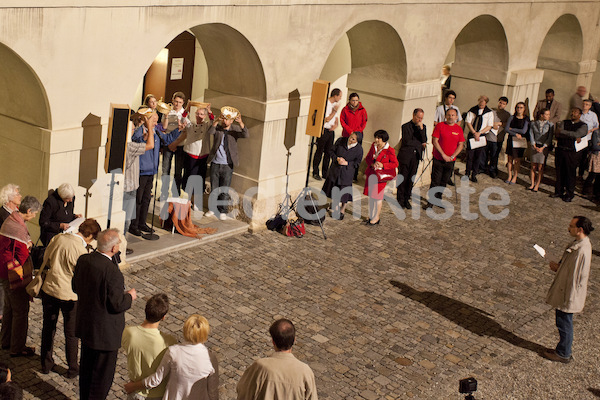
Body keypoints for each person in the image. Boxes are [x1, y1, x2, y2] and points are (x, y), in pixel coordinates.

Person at [73, 228, 137, 400]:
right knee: (101, 378)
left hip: (87, 326)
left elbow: (75, 287)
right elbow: (117, 304)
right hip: (105, 334)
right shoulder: (112, 272)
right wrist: (130, 297)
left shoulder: (84, 260)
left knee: (86, 372)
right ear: (114, 248)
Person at [40, 218, 101, 378]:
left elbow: (47, 256)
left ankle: (45, 364)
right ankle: (73, 368)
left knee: (48, 328)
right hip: (69, 296)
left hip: (50, 289)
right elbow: (83, 275)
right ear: (90, 236)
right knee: (71, 333)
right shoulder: (80, 251)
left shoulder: (58, 238)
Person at [125, 314, 219, 400]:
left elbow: (156, 379)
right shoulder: (210, 358)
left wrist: (133, 386)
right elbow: (213, 391)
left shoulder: (174, 351)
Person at [543, 216, 593, 363]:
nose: (568, 228)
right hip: (567, 290)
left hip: (568, 293)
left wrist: (558, 269)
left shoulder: (581, 250)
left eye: (571, 226)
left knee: (564, 322)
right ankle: (562, 349)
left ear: (580, 229)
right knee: (563, 321)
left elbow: (575, 276)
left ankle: (564, 353)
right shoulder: (580, 245)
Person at [129, 111, 183, 237]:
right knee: (138, 199)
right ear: (147, 120)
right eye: (153, 120)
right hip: (142, 171)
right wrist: (145, 134)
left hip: (152, 170)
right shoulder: (139, 131)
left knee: (147, 198)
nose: (156, 123)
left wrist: (177, 130)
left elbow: (167, 139)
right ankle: (134, 225)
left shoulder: (156, 132)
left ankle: (142, 223)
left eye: (156, 120)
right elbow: (135, 140)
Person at [0, 195, 41, 357]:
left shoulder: (12, 218)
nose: (35, 216)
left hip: (4, 270)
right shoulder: (18, 227)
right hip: (14, 274)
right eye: (35, 213)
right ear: (29, 211)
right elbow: (23, 256)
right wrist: (28, 246)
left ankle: (6, 341)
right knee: (21, 311)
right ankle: (17, 348)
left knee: (9, 308)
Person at [237, 319, 317, 400]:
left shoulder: (260, 367)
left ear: (273, 341)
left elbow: (243, 392)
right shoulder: (305, 372)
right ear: (294, 340)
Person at [122, 293, 177, 400]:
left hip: (135, 392)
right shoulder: (169, 341)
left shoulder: (128, 333)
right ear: (163, 317)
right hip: (158, 394)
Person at [206, 108, 249, 220]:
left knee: (224, 189)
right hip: (215, 162)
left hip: (228, 164)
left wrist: (240, 122)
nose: (224, 121)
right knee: (214, 187)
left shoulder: (234, 130)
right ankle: (212, 208)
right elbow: (210, 131)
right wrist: (216, 121)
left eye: (227, 120)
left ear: (231, 121)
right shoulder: (218, 128)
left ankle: (223, 211)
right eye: (223, 119)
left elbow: (246, 134)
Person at [123, 109, 155, 235]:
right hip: (129, 186)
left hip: (127, 185)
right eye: (132, 130)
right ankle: (122, 244)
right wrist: (149, 127)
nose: (133, 131)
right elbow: (150, 145)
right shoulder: (129, 146)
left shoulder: (126, 143)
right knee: (126, 220)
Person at [426, 108, 465, 209]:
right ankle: (430, 202)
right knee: (435, 180)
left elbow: (460, 145)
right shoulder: (440, 126)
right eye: (449, 115)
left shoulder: (458, 129)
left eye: (453, 115)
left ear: (456, 117)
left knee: (444, 180)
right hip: (439, 158)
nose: (450, 117)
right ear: (445, 116)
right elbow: (435, 141)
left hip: (450, 161)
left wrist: (452, 156)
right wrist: (443, 154)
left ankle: (438, 199)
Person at [322, 132, 363, 219]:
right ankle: (335, 206)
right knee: (335, 188)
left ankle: (342, 209)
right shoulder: (341, 141)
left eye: (353, 139)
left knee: (344, 192)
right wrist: (337, 158)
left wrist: (347, 163)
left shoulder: (359, 149)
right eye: (350, 137)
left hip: (347, 173)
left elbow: (357, 162)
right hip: (335, 170)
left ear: (357, 141)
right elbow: (331, 151)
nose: (350, 140)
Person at [180, 106, 214, 211]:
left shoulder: (207, 125)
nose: (199, 116)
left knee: (199, 180)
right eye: (197, 114)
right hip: (190, 155)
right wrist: (187, 107)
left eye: (201, 114)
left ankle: (197, 202)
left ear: (204, 116)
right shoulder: (191, 124)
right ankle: (189, 200)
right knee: (189, 178)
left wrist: (209, 112)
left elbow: (213, 121)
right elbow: (183, 118)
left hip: (202, 156)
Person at [551, 108, 588, 202]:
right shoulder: (564, 122)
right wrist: (571, 135)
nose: (572, 114)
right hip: (561, 149)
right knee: (559, 172)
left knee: (570, 173)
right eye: (572, 112)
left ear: (579, 115)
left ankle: (569, 193)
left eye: (575, 112)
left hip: (572, 152)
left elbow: (577, 134)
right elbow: (558, 133)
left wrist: (565, 133)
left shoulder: (583, 125)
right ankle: (558, 191)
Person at [363, 130, 398, 225]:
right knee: (371, 196)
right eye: (375, 137)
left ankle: (376, 217)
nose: (376, 139)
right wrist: (372, 164)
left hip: (381, 177)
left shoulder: (390, 150)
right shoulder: (373, 146)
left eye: (378, 138)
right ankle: (371, 215)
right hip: (372, 174)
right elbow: (368, 158)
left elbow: (395, 163)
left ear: (384, 139)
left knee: (377, 197)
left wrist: (383, 165)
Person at [161, 92, 191, 197]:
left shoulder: (185, 114)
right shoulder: (168, 112)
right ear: (173, 100)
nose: (177, 104)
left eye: (180, 102)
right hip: (168, 145)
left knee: (178, 171)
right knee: (165, 170)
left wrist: (175, 143)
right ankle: (163, 193)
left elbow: (186, 132)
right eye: (176, 101)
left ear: (183, 103)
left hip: (179, 145)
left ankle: (175, 193)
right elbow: (164, 128)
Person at [396, 109, 427, 209]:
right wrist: (419, 143)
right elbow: (407, 141)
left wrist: (421, 130)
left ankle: (406, 198)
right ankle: (400, 199)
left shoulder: (423, 127)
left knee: (411, 178)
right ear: (413, 115)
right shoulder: (405, 126)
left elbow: (424, 140)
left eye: (421, 118)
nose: (419, 120)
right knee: (403, 177)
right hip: (406, 156)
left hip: (416, 156)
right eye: (418, 117)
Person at [313, 88, 342, 181]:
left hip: (330, 131)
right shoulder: (326, 104)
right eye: (340, 96)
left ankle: (325, 173)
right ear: (335, 95)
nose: (340, 98)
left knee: (328, 152)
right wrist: (334, 111)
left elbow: (336, 119)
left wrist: (336, 125)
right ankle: (315, 172)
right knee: (319, 151)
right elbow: (326, 119)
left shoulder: (334, 105)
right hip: (323, 130)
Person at [464, 95, 494, 182]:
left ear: (486, 103)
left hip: (481, 135)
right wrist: (474, 132)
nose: (481, 104)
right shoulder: (472, 110)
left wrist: (479, 133)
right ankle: (467, 173)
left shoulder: (489, 112)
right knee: (470, 156)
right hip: (472, 134)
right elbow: (468, 122)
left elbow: (489, 125)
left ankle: (474, 174)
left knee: (478, 156)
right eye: (480, 102)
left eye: (483, 102)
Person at [527, 109, 554, 192]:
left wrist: (543, 147)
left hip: (543, 146)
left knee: (540, 167)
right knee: (533, 166)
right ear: (542, 115)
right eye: (547, 114)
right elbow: (531, 134)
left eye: (549, 115)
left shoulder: (550, 125)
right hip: (535, 145)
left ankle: (537, 184)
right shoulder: (533, 123)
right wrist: (533, 145)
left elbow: (549, 137)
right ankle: (532, 183)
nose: (548, 116)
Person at [504, 102, 530, 185]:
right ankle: (509, 175)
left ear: (524, 109)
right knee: (510, 159)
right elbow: (507, 129)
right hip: (511, 139)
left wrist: (512, 129)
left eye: (521, 107)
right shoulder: (512, 117)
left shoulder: (526, 119)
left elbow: (523, 131)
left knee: (517, 160)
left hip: (520, 141)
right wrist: (515, 133)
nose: (519, 109)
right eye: (518, 107)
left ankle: (515, 176)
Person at [486, 97, 510, 179]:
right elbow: (487, 120)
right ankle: (484, 167)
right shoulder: (492, 112)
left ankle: (492, 169)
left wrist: (500, 123)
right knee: (486, 153)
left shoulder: (507, 114)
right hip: (490, 136)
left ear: (506, 105)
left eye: (503, 104)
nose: (501, 105)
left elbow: (508, 124)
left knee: (495, 155)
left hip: (499, 137)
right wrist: (493, 124)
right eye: (500, 103)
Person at [577, 99, 599, 178]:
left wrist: (591, 130)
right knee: (576, 156)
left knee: (584, 157)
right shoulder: (578, 113)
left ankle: (580, 174)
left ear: (590, 106)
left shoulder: (593, 115)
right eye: (584, 104)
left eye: (587, 104)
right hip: (578, 138)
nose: (584, 106)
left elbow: (597, 126)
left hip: (587, 139)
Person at [583, 126, 600, 201]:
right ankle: (585, 190)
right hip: (596, 156)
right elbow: (594, 146)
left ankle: (596, 194)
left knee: (599, 177)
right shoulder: (596, 133)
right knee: (592, 175)